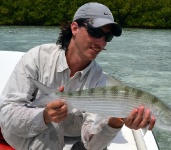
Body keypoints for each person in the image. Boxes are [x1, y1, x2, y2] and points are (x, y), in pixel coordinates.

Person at [0, 2, 156, 150]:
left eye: (107, 37)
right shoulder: (36, 58)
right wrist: (45, 115)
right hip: (24, 133)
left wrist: (115, 122)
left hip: (72, 132)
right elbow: (6, 116)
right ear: (74, 28)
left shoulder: (99, 79)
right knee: (50, 131)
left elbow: (92, 142)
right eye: (96, 32)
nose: (101, 43)